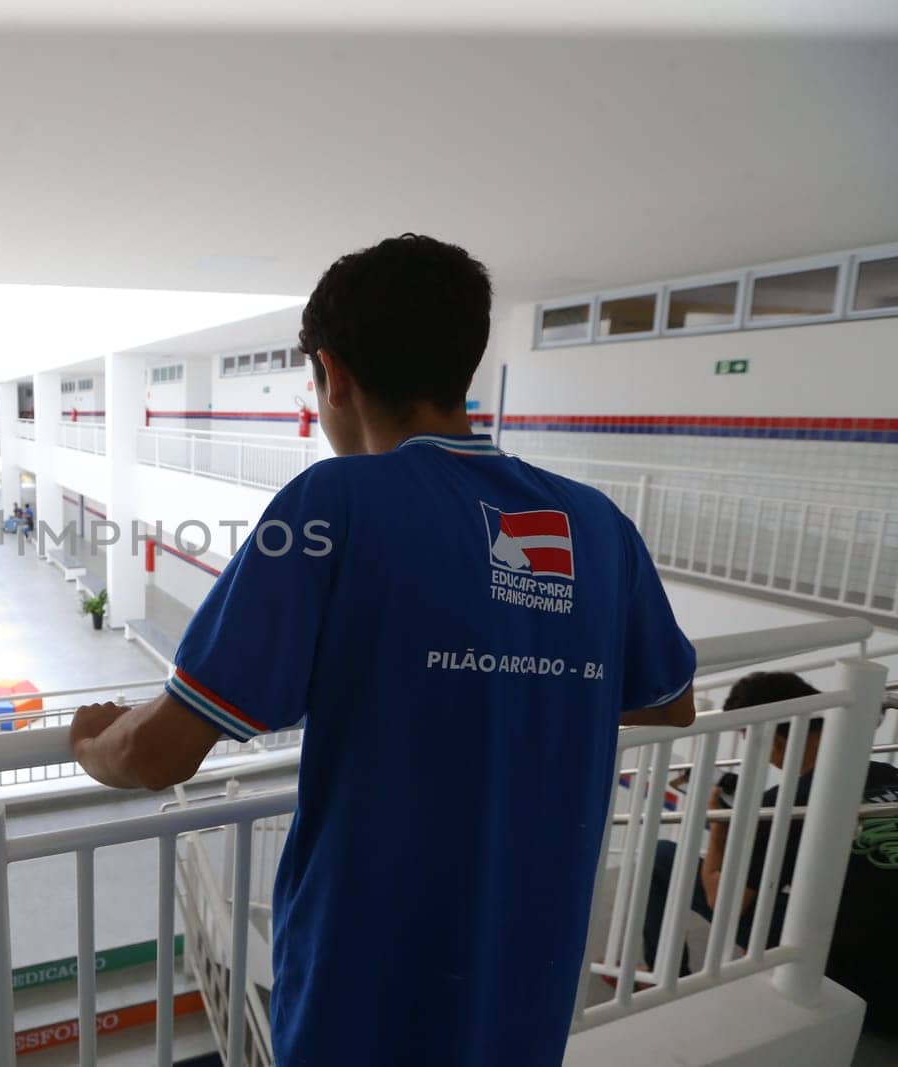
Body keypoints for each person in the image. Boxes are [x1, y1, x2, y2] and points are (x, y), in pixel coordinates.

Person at [69, 235, 696, 1065]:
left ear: (333, 373)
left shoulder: (331, 503)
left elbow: (160, 753)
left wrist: (89, 740)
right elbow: (668, 700)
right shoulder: (598, 525)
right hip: (529, 978)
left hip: (361, 990)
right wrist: (523, 676)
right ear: (464, 365)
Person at [640, 672, 898, 985]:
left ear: (775, 741)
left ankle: (663, 978)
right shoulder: (887, 774)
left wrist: (720, 826)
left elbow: (724, 905)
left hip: (858, 975)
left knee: (659, 855)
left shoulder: (784, 804)